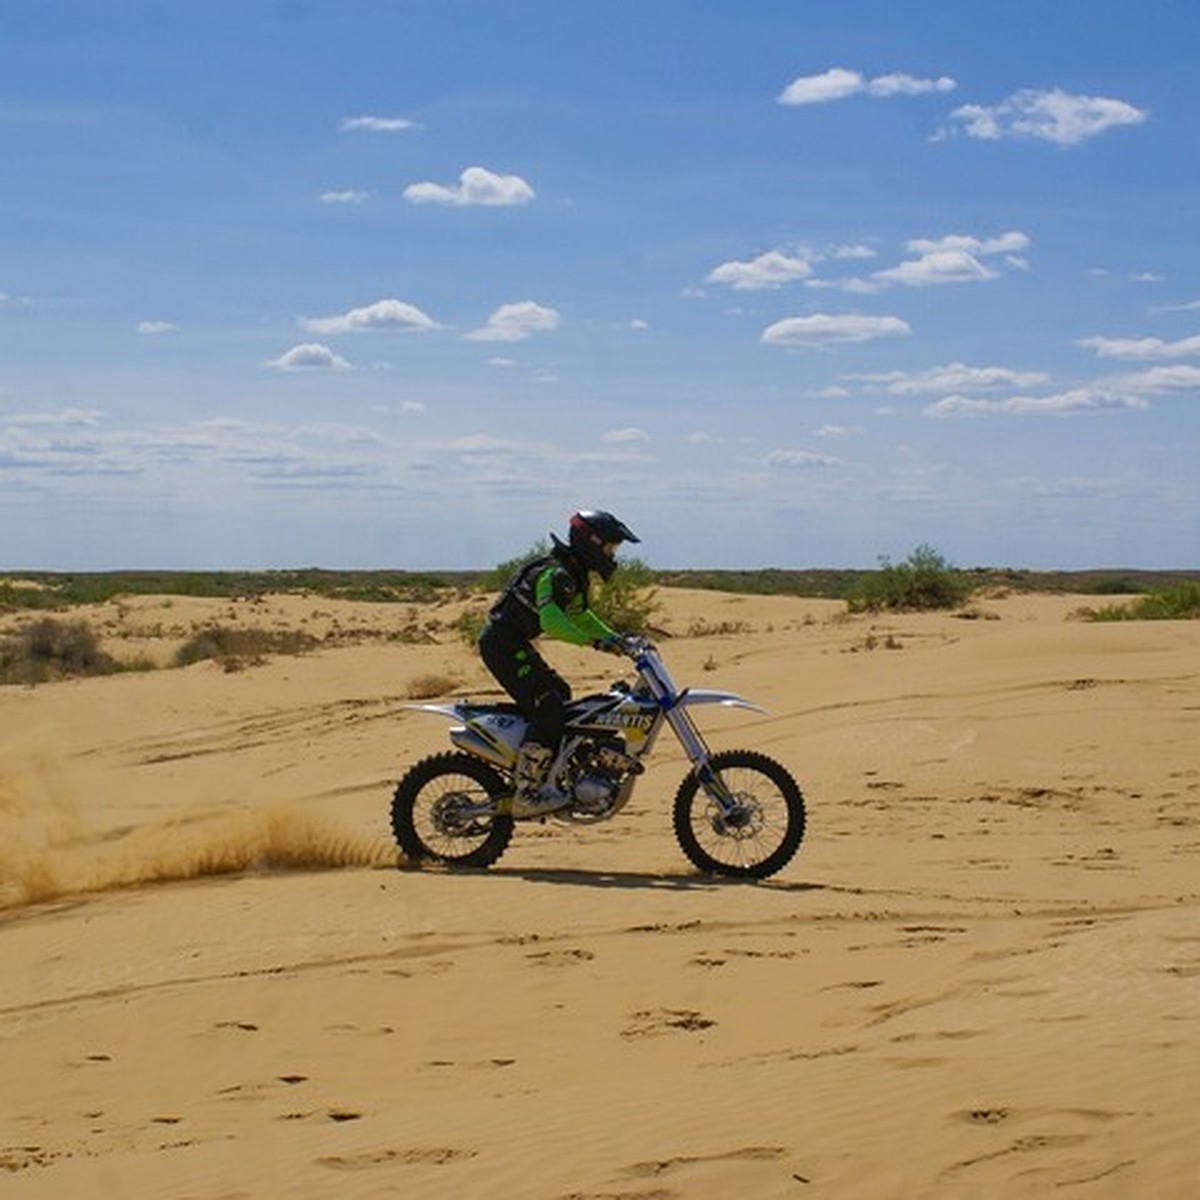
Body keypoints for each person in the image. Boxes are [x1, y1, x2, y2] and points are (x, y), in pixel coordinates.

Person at [479, 510, 640, 816]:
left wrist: (616, 639)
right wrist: (594, 642)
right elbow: (552, 621)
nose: (611, 555)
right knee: (549, 706)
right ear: (592, 543)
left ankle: (553, 775)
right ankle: (527, 791)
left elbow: (580, 616)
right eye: (610, 547)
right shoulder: (556, 573)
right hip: (502, 644)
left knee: (560, 694)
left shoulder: (571, 573)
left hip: (513, 644)